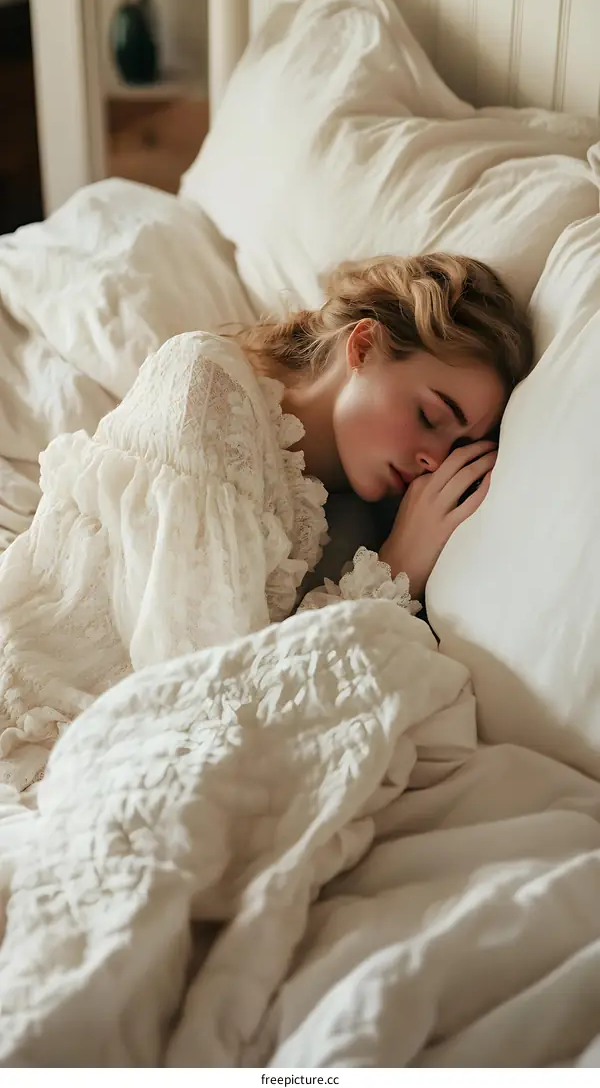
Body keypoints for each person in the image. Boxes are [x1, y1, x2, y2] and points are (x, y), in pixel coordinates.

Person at [0, 253, 533, 791]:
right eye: (431, 415)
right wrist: (393, 571)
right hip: (34, 697)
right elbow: (208, 685)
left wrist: (391, 562)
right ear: (364, 346)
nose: (435, 461)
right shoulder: (203, 379)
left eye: (460, 448)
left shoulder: (354, 522)